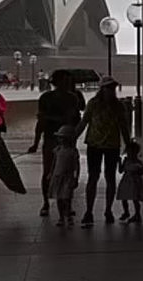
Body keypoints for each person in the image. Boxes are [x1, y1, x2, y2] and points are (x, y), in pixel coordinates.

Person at [28, 70, 85, 217]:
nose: (67, 84)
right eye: (65, 81)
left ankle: (66, 204)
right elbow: (41, 121)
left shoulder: (73, 98)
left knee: (67, 173)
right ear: (57, 82)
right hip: (52, 138)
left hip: (66, 140)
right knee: (48, 172)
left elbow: (75, 119)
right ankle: (46, 203)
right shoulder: (46, 98)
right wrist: (35, 142)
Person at [76, 76, 130, 228]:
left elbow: (124, 126)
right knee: (93, 177)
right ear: (102, 89)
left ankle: (108, 209)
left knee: (110, 178)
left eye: (112, 87)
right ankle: (89, 211)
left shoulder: (118, 106)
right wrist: (73, 137)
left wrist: (128, 144)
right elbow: (84, 122)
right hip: (95, 144)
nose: (111, 90)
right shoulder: (93, 104)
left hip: (111, 145)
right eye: (108, 87)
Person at [48, 125, 80, 228]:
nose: (61, 140)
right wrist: (51, 173)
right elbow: (54, 163)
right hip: (57, 176)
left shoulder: (73, 152)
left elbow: (76, 166)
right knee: (59, 198)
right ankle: (61, 217)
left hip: (67, 177)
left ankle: (68, 216)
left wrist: (75, 178)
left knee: (67, 198)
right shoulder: (57, 150)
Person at [117, 140, 143, 224]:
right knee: (124, 198)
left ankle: (137, 214)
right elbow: (120, 170)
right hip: (126, 181)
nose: (130, 154)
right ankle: (126, 212)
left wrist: (137, 170)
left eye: (132, 152)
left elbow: (142, 172)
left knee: (135, 199)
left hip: (134, 182)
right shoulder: (126, 161)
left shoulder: (138, 162)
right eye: (129, 152)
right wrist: (119, 162)